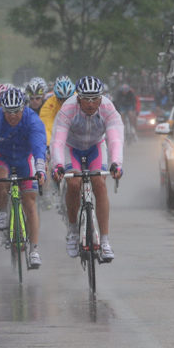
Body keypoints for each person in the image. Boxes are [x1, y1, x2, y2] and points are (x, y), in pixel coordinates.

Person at [50, 76, 123, 262]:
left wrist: (116, 164)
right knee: (74, 183)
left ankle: (105, 242)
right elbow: (58, 141)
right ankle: (73, 231)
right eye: (86, 99)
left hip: (95, 146)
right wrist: (57, 165)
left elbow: (114, 139)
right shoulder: (68, 109)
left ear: (101, 97)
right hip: (71, 147)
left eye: (95, 98)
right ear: (78, 98)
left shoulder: (108, 108)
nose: (91, 103)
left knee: (99, 182)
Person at [0, 88, 47, 268]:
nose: (13, 116)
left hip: (25, 158)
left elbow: (38, 146)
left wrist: (40, 169)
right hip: (3, 157)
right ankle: (2, 212)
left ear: (24, 108)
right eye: (9, 112)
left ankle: (34, 250)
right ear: (2, 110)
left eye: (17, 111)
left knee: (29, 202)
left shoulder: (32, 119)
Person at [40, 76, 76, 145]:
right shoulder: (49, 104)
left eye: (68, 99)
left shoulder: (80, 100)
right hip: (59, 138)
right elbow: (47, 126)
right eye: (61, 99)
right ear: (56, 97)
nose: (64, 102)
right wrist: (48, 145)